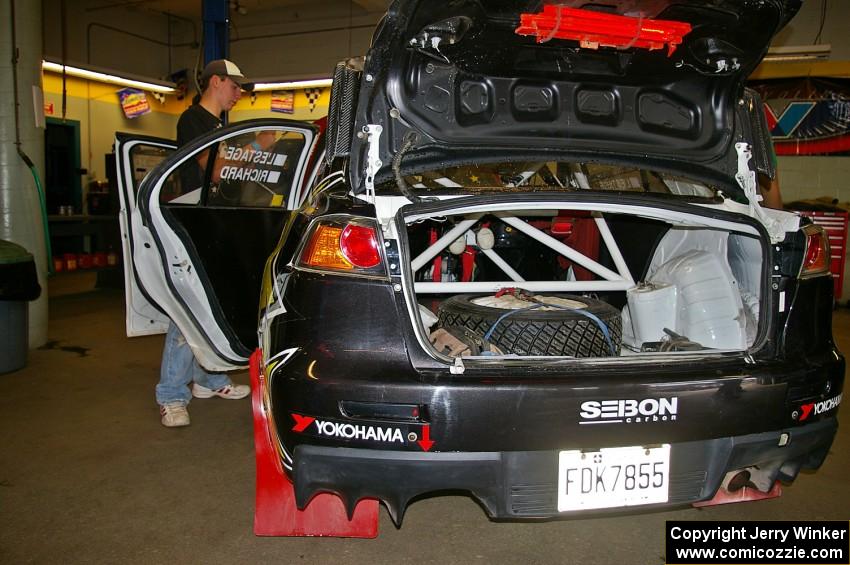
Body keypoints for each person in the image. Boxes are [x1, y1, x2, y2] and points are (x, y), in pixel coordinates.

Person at [158, 59, 254, 427]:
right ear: (216, 81)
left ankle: (208, 379)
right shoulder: (194, 121)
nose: (238, 93)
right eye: (235, 86)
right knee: (186, 307)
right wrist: (255, 157)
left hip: (217, 220)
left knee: (211, 304)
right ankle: (170, 394)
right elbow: (214, 169)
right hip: (193, 220)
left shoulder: (220, 127)